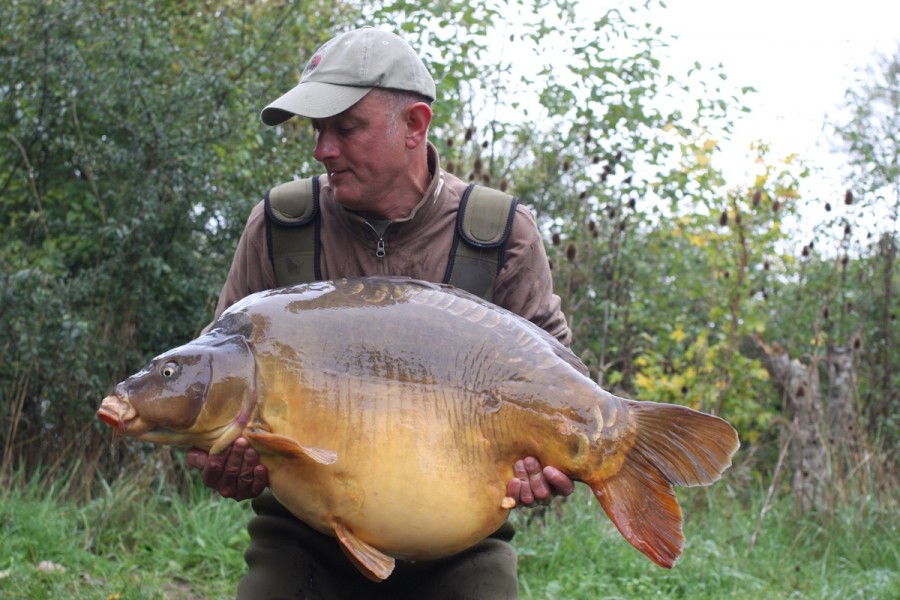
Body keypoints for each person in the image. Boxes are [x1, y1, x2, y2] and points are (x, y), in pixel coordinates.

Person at [187, 26, 575, 599]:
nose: (323, 149)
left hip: (457, 541)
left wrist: (549, 463)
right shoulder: (280, 226)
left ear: (415, 125)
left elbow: (563, 388)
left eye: (345, 128)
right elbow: (215, 376)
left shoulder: (498, 235)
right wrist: (224, 461)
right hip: (305, 530)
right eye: (318, 130)